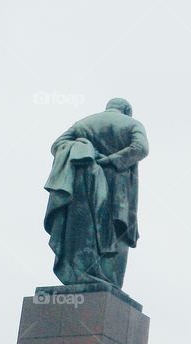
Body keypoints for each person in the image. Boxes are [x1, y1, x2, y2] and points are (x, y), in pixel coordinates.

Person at [44, 98, 149, 289]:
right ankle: (109, 283)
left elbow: (58, 145)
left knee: (82, 228)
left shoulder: (84, 123)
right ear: (126, 110)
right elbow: (141, 148)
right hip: (119, 189)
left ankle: (79, 273)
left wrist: (86, 150)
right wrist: (111, 160)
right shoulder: (132, 124)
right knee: (117, 232)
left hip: (82, 182)